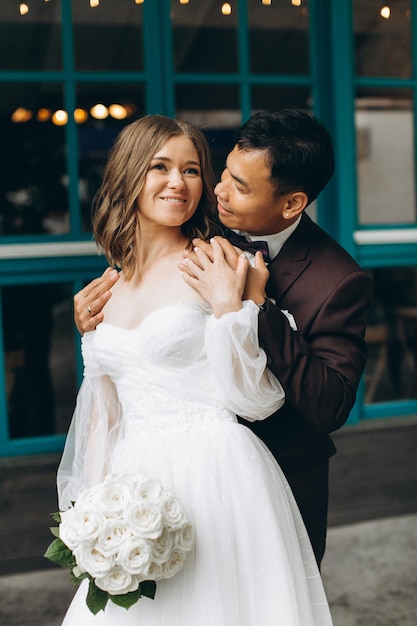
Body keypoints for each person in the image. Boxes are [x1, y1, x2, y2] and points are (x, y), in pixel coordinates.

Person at [59, 114, 333, 625]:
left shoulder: (219, 263)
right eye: (160, 167)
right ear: (128, 175)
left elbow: (257, 398)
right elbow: (103, 408)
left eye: (191, 170)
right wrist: (90, 511)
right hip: (131, 485)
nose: (177, 182)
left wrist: (236, 310)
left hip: (217, 473)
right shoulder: (105, 289)